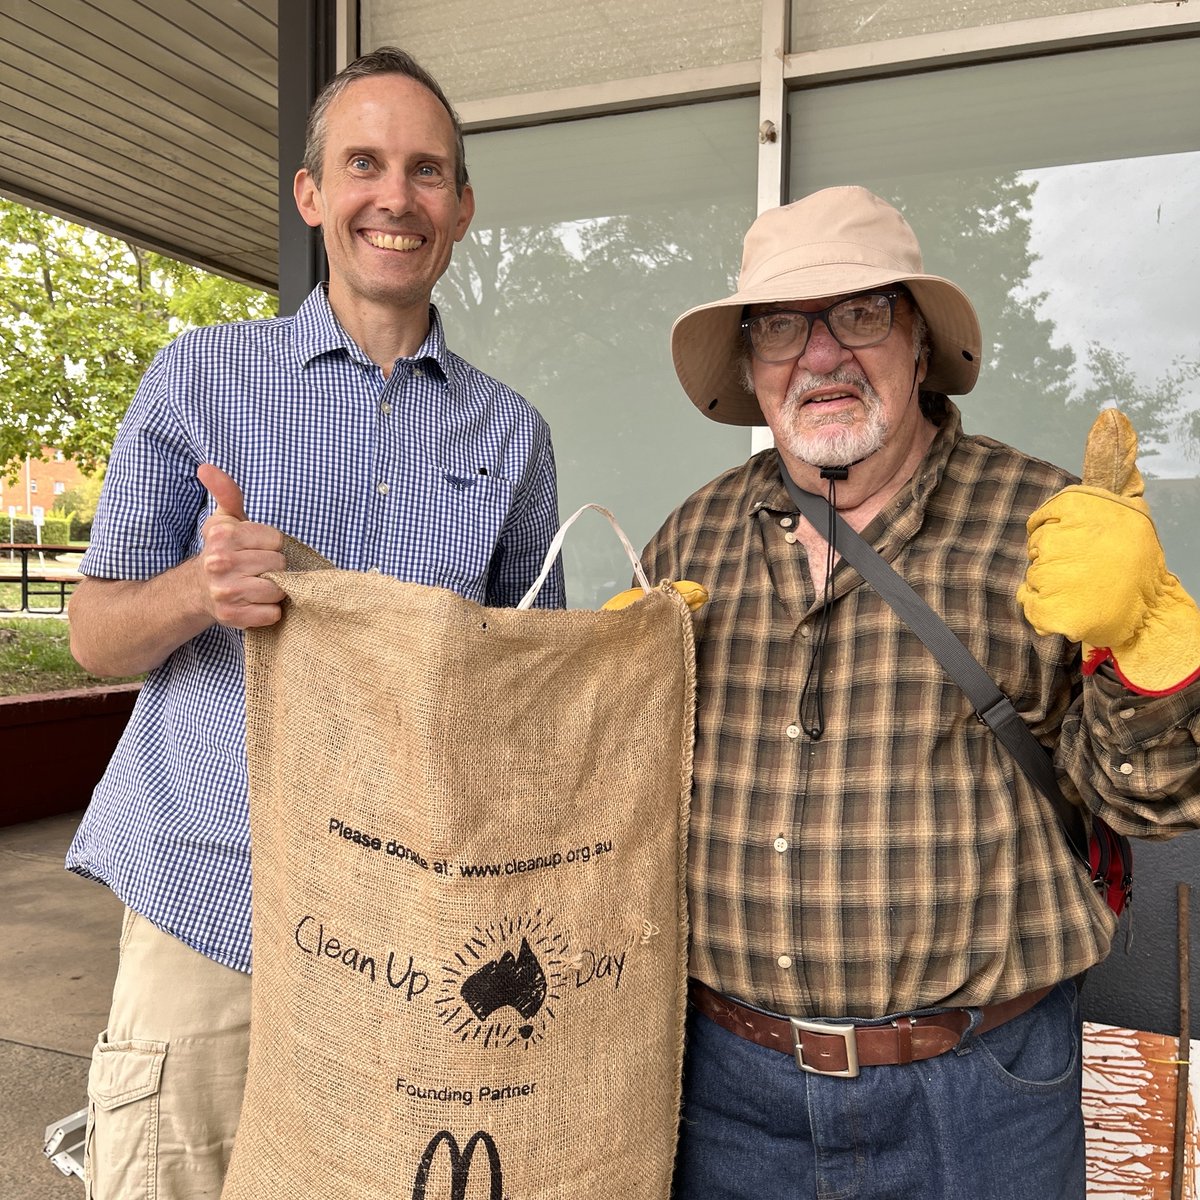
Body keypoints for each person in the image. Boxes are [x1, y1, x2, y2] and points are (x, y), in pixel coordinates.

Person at [66, 47, 563, 1200]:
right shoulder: (201, 380)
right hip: (208, 903)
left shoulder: (511, 436)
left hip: (405, 935)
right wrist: (199, 593)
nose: (397, 197)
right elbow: (94, 634)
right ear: (311, 196)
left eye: (428, 171)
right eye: (364, 164)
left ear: (463, 207)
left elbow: (520, 693)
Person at [643, 185, 1200, 1199]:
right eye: (780, 327)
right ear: (753, 368)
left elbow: (1144, 805)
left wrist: (1152, 642)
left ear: (916, 342)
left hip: (979, 1099)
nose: (820, 355)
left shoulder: (1039, 519)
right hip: (724, 1094)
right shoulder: (690, 538)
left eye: (858, 314)